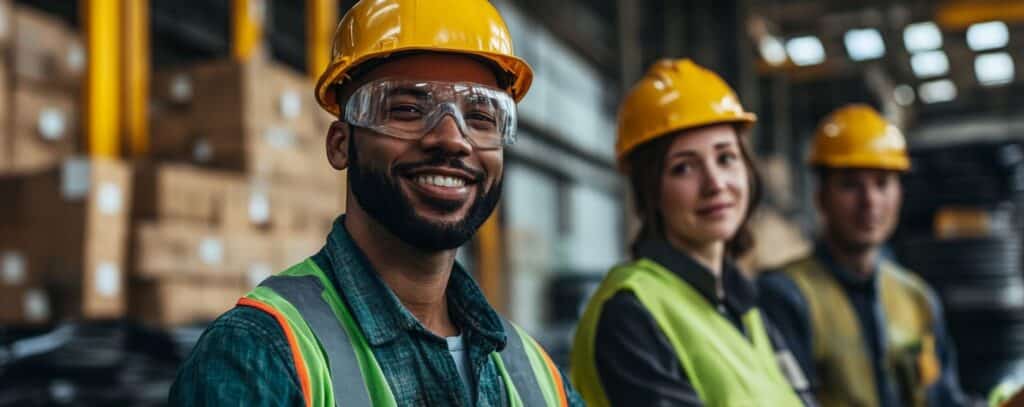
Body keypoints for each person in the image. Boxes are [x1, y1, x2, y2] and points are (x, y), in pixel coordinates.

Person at [169, 1, 582, 405]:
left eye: (481, 117)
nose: (453, 139)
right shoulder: (259, 356)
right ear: (340, 144)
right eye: (406, 109)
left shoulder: (538, 377)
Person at [570, 59, 811, 406]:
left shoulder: (743, 306)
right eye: (684, 167)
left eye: (726, 158)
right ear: (650, 189)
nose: (715, 184)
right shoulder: (629, 313)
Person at [757, 104, 967, 407]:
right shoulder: (785, 297)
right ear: (820, 196)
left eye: (882, 184)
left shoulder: (918, 299)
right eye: (850, 185)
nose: (870, 201)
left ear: (899, 193)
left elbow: (944, 399)